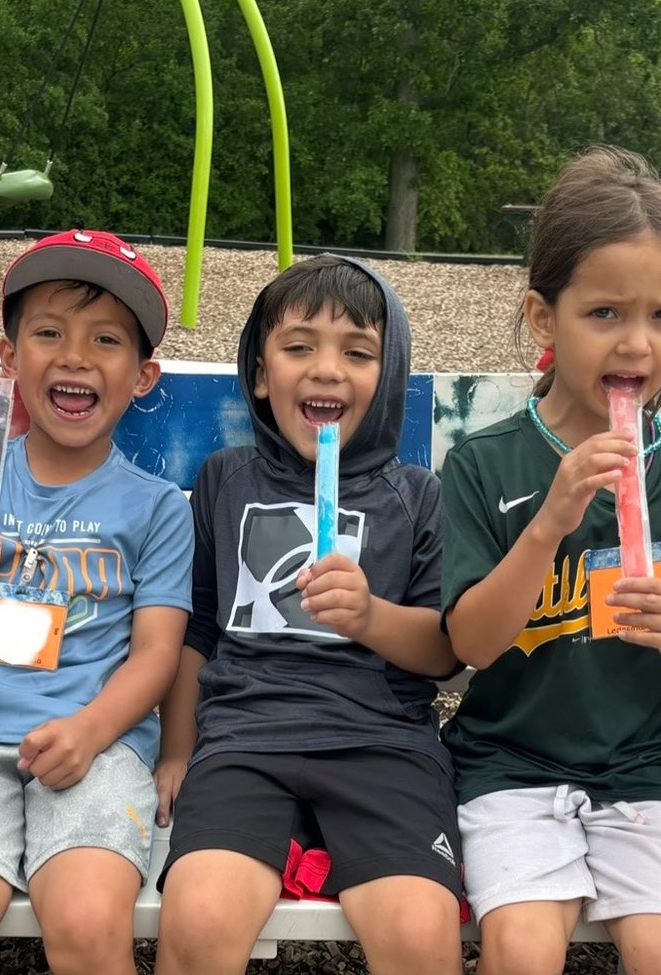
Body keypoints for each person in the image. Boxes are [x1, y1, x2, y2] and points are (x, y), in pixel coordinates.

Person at [441, 146, 661, 975]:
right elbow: (469, 645)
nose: (638, 345)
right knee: (517, 946)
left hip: (654, 762)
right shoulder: (484, 465)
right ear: (545, 319)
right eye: (606, 313)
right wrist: (548, 523)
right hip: (510, 756)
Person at [0, 230, 192, 975]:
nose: (75, 355)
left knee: (88, 926)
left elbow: (157, 653)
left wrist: (89, 731)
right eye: (48, 332)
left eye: (107, 339)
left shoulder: (154, 509)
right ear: (8, 356)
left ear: (143, 374)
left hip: (102, 738)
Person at [152, 256, 464, 975]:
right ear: (261, 374)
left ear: (386, 381)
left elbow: (444, 653)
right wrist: (177, 747)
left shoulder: (416, 496)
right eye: (299, 347)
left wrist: (369, 615)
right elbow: (198, 627)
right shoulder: (224, 480)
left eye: (357, 353)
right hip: (243, 739)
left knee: (420, 933)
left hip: (383, 744)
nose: (327, 369)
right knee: (197, 920)